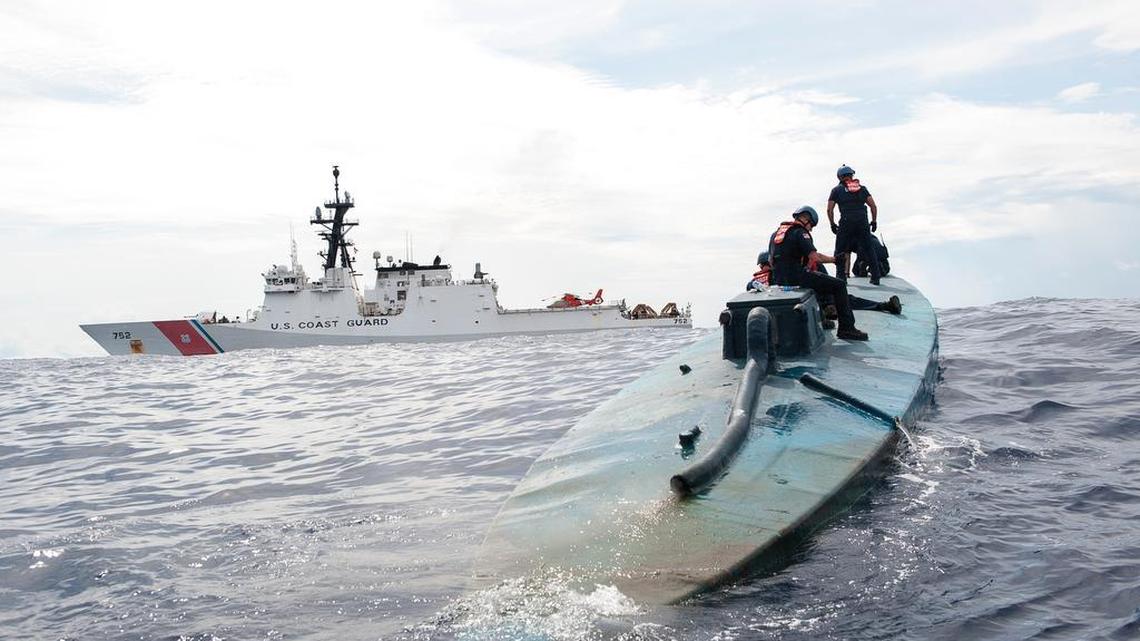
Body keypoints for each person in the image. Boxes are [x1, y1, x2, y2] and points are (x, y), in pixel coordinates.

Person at [768, 205, 869, 340]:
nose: (811, 229)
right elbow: (815, 257)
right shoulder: (800, 233)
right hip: (797, 277)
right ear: (806, 219)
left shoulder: (776, 234)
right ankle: (847, 328)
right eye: (812, 225)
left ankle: (822, 319)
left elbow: (770, 261)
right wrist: (834, 260)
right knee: (838, 286)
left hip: (779, 279)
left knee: (819, 283)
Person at [827, 165, 882, 285]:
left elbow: (829, 209)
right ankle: (876, 277)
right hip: (862, 221)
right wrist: (874, 221)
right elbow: (873, 206)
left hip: (846, 222)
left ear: (839, 177)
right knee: (868, 248)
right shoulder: (862, 189)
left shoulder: (836, 190)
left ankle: (841, 277)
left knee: (840, 250)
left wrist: (832, 224)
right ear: (852, 175)